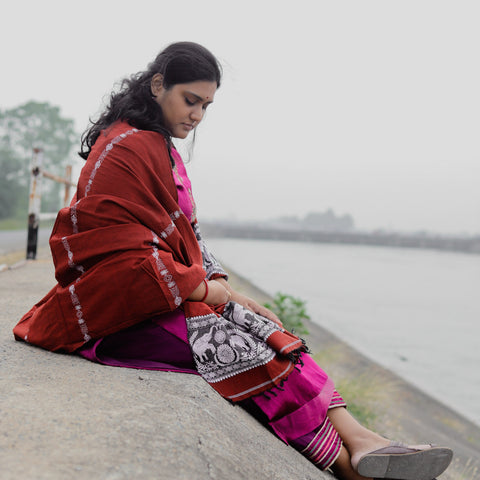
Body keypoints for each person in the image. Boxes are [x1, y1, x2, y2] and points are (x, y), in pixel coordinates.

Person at [13, 41, 453, 480]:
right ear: (157, 84)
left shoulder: (161, 148)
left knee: (273, 332)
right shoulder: (129, 147)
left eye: (206, 105)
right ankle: (352, 468)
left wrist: (232, 294)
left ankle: (362, 439)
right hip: (118, 311)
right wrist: (208, 291)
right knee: (248, 355)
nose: (197, 115)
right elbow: (122, 252)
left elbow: (189, 235)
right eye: (191, 101)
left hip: (160, 296)